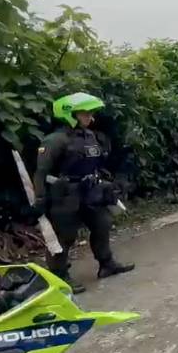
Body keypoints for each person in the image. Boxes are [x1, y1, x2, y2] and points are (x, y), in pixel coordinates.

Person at [33, 92, 134, 293]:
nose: (90, 117)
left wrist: (112, 183)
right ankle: (59, 277)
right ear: (70, 114)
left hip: (90, 191)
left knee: (102, 224)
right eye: (85, 114)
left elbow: (98, 162)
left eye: (90, 113)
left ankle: (106, 264)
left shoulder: (90, 137)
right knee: (65, 236)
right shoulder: (55, 140)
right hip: (64, 196)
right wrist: (40, 198)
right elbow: (41, 172)